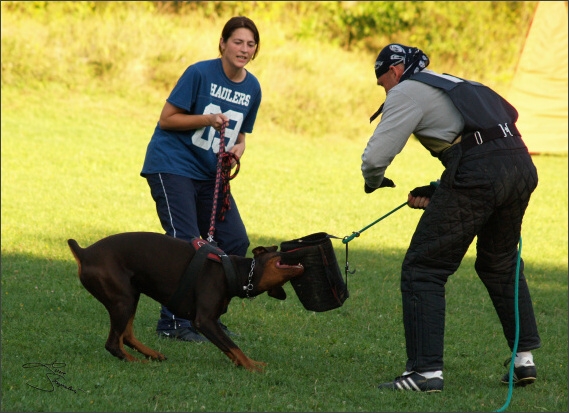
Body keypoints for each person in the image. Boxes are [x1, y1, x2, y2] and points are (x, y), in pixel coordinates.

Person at [361, 44, 540, 392]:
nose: (385, 90)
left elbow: (375, 158)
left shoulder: (407, 90)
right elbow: (488, 139)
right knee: (500, 263)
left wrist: (374, 182)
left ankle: (425, 373)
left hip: (480, 172)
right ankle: (524, 359)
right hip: (520, 164)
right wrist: (440, 187)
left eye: (382, 83)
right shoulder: (452, 83)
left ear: (395, 71)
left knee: (423, 268)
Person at [140, 16, 262, 342]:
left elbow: (242, 136)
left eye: (251, 44)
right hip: (172, 164)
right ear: (222, 43)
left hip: (211, 174)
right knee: (186, 242)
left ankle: (205, 317)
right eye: (238, 41)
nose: (244, 49)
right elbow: (167, 120)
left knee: (234, 241)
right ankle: (174, 323)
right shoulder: (199, 73)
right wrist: (207, 119)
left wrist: (238, 150)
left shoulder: (253, 87)